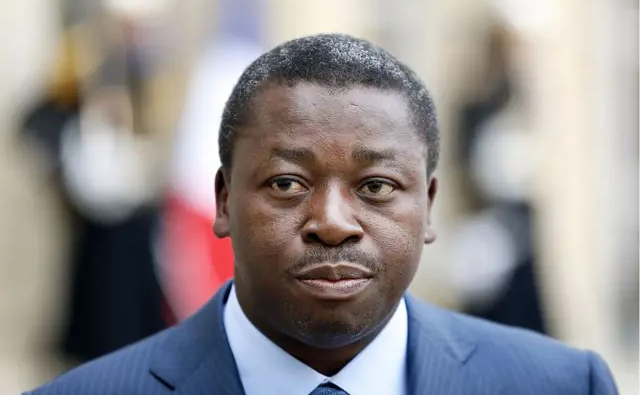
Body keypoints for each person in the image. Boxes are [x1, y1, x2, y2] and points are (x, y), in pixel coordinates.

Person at [24, 34, 618, 395]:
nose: (332, 221)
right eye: (287, 182)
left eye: (377, 186)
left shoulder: (562, 389)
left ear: (428, 206)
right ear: (225, 201)